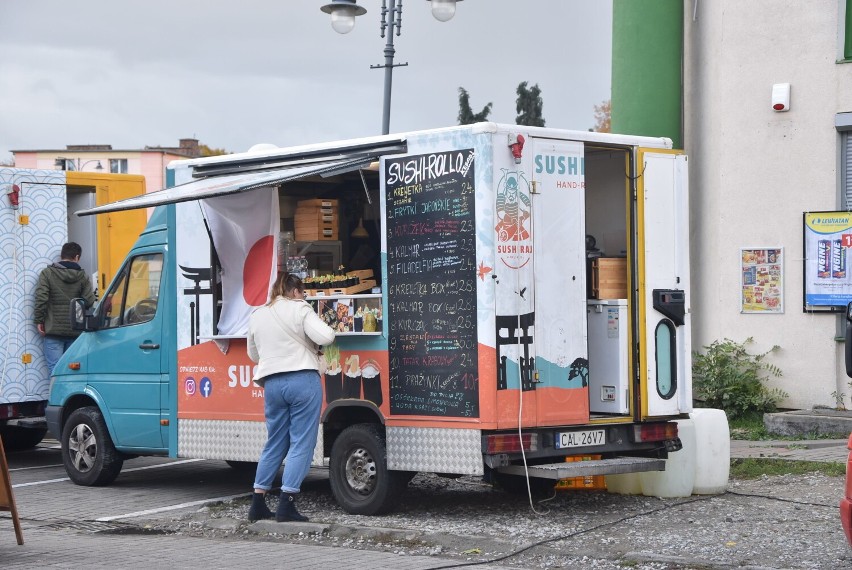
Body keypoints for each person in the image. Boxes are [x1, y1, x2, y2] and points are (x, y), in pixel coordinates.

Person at [246, 272, 335, 523]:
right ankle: (287, 504)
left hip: (272, 383)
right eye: (302, 292)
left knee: (275, 442)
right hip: (302, 381)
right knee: (301, 443)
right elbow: (326, 337)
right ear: (295, 291)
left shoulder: (259, 314)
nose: (303, 296)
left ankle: (258, 502)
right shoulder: (300, 308)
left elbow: (254, 354)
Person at [34, 242, 96, 375]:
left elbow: (41, 298)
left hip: (53, 330)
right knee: (72, 372)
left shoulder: (47, 273)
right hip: (75, 331)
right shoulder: (82, 276)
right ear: (77, 257)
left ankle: (57, 396)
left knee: (56, 371)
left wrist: (39, 320)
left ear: (62, 255)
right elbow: (89, 300)